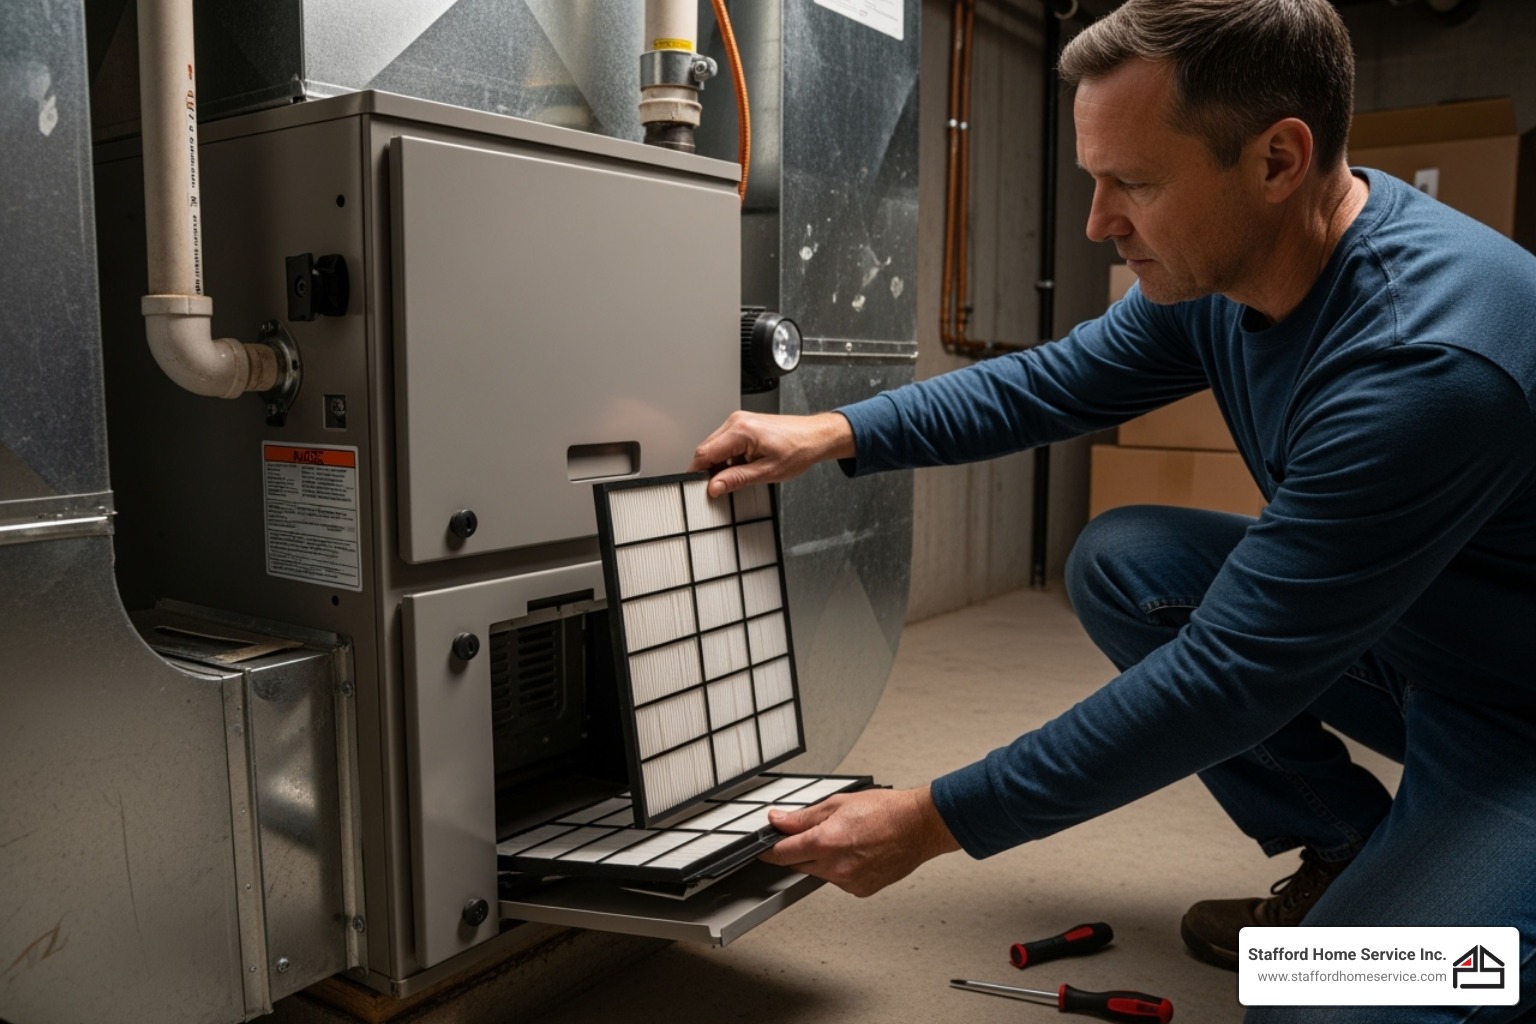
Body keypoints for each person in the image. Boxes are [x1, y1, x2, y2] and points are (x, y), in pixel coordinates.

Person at [689, 1, 1536, 1020]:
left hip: (1516, 720)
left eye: (1131, 183)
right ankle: (1352, 849)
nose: (1098, 220)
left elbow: (1227, 677)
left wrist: (929, 819)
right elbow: (1048, 383)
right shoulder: (1233, 271)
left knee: (1327, 999)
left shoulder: (1423, 364)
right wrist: (831, 433)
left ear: (1277, 160)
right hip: (1429, 638)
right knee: (1130, 560)